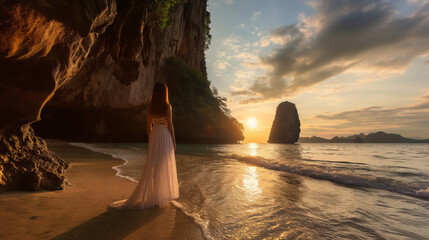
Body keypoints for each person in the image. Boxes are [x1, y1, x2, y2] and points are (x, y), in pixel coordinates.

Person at [110, 82, 179, 209]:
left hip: (154, 135)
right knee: (163, 164)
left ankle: (154, 196)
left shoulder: (150, 107)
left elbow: (149, 127)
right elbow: (170, 125)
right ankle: (159, 197)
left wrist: (151, 140)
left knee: (154, 166)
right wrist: (174, 141)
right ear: (165, 93)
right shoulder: (167, 106)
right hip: (164, 134)